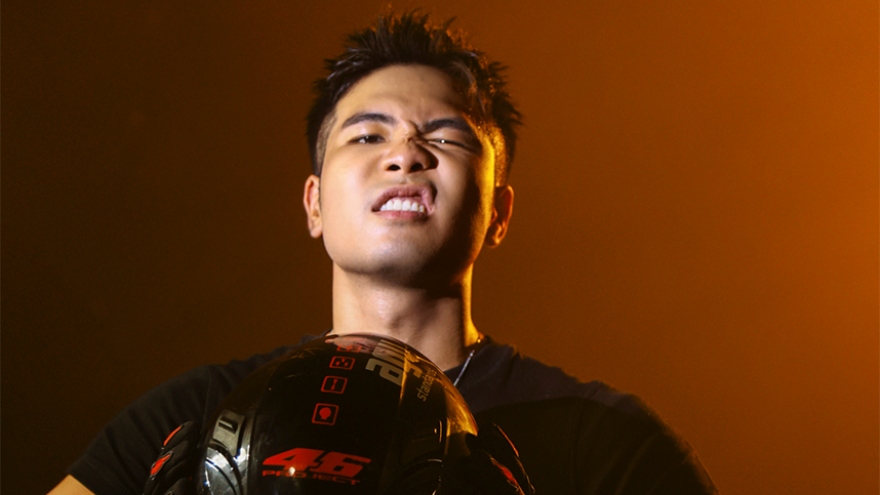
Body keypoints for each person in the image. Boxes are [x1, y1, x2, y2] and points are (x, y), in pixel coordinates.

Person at [49, 12, 717, 495]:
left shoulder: (602, 441)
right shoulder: (191, 420)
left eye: (446, 138)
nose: (406, 155)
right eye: (368, 136)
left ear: (499, 213)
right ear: (314, 203)